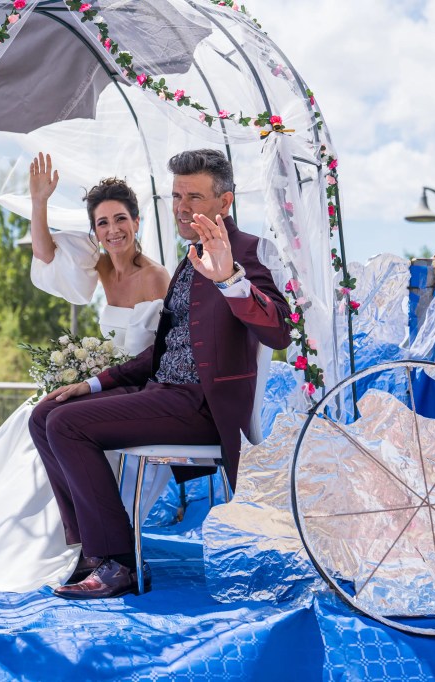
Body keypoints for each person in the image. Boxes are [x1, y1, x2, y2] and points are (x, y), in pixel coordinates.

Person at [29, 148, 293, 600]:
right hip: (163, 392)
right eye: (175, 196)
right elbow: (162, 350)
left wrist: (230, 277)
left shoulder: (250, 252)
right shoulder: (188, 260)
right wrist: (93, 383)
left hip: (203, 407)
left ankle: (118, 563)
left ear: (224, 203)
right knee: (46, 413)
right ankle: (93, 549)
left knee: (66, 426)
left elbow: (279, 330)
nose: (182, 207)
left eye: (194, 196)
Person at [0, 153, 170, 592]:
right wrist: (39, 204)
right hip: (105, 376)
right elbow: (46, 254)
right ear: (95, 230)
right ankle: (56, 538)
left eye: (121, 219)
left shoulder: (158, 277)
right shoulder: (102, 264)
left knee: (59, 418)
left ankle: (89, 547)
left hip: (139, 385)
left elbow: (161, 354)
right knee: (35, 414)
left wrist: (94, 380)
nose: (113, 230)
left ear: (138, 221)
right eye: (103, 223)